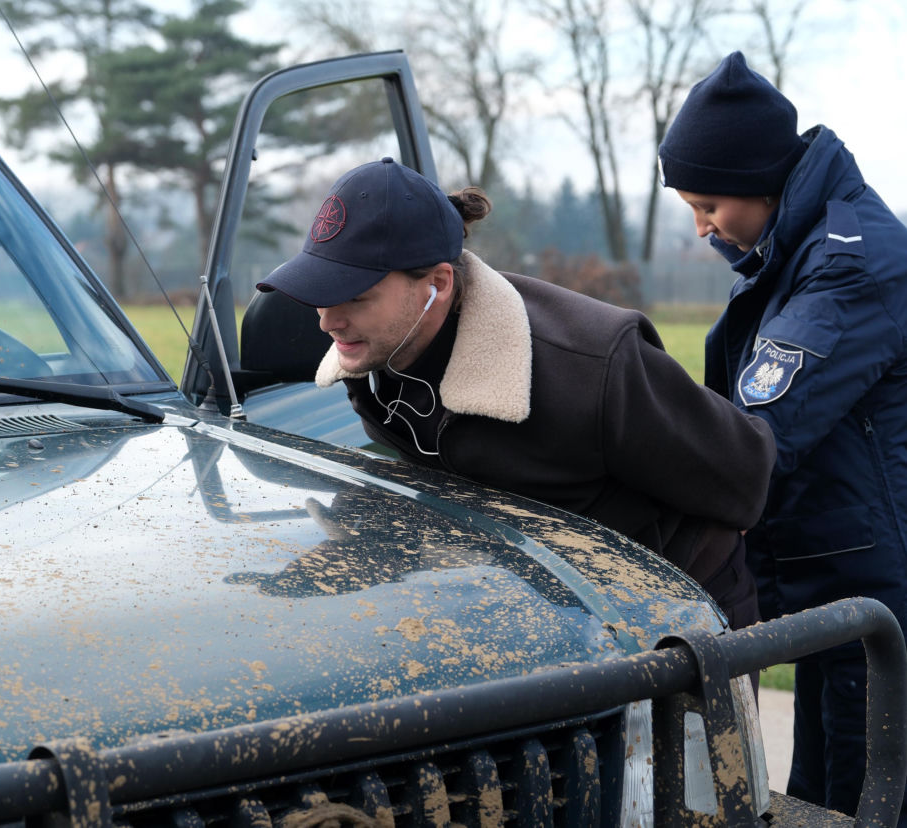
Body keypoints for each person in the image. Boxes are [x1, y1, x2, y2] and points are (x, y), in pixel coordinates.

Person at [257, 156, 775, 635]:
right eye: (321, 293)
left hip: (676, 611)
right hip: (543, 606)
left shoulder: (594, 364)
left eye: (353, 296)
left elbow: (743, 470)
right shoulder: (371, 362)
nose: (327, 320)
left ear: (437, 283)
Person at [658, 51, 907, 821]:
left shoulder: (847, 267)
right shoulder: (795, 253)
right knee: (819, 794)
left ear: (758, 179)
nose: (701, 227)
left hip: (871, 589)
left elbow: (759, 431)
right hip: (828, 579)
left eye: (707, 204)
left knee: (862, 799)